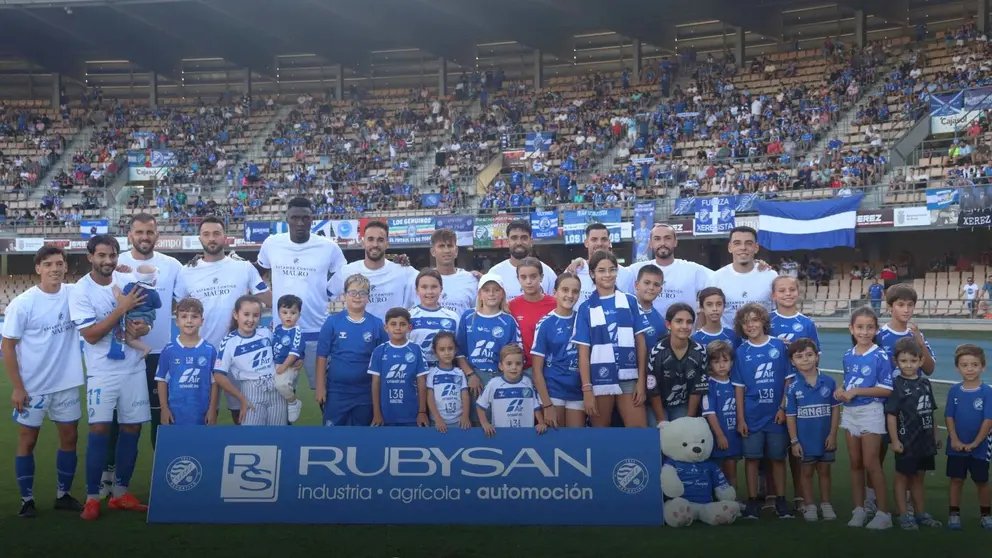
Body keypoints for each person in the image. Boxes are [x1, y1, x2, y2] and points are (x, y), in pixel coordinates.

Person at [69, 235, 151, 520]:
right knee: (100, 430)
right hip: (102, 372)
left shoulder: (127, 282)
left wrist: (141, 328)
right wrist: (121, 308)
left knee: (132, 429)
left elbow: (142, 319)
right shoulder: (81, 290)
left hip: (133, 369)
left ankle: (120, 493)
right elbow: (91, 336)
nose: (108, 261)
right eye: (102, 256)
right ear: (90, 256)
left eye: (112, 255)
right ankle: (92, 497)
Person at [4, 246, 84, 517]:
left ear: (66, 267)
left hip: (66, 383)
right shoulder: (23, 304)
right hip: (33, 386)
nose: (55, 269)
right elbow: (8, 346)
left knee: (70, 437)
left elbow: (101, 282)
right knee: (28, 440)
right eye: (48, 264)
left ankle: (63, 494)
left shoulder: (75, 294)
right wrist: (17, 386)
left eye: (59, 263)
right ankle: (27, 500)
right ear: (38, 268)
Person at [110, 213, 181, 489]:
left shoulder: (172, 265)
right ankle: (110, 476)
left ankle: (166, 475)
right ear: (129, 235)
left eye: (150, 232)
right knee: (119, 418)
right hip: (123, 352)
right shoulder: (117, 265)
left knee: (160, 416)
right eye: (139, 232)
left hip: (159, 353)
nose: (144, 237)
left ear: (157, 235)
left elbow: (186, 300)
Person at [176, 217, 270, 424]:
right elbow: (178, 308)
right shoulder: (187, 271)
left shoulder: (242, 267)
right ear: (199, 238)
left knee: (243, 414)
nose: (212, 238)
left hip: (239, 353)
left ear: (225, 237)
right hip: (202, 353)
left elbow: (268, 299)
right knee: (206, 416)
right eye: (206, 234)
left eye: (216, 233)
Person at [257, 197, 346, 396]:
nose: (300, 223)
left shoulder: (328, 247)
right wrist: (270, 300)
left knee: (325, 392)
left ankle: (330, 426)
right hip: (283, 333)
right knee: (281, 391)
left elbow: (344, 273)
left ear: (312, 219)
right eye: (295, 218)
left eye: (305, 218)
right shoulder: (272, 243)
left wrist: (329, 293)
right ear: (286, 219)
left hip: (317, 331)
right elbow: (259, 272)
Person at [874, 283, 935, 514]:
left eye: (910, 305)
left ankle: (909, 503)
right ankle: (873, 499)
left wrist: (919, 341)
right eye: (901, 305)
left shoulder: (917, 334)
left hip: (912, 408)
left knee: (911, 458)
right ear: (890, 307)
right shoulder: (879, 335)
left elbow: (929, 369)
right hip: (884, 405)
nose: (906, 310)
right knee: (878, 453)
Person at [573, 250, 650, 428]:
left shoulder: (630, 301)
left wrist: (641, 381)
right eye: (601, 270)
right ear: (592, 274)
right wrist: (587, 389)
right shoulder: (585, 308)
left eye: (612, 269)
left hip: (628, 376)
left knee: (639, 432)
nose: (608, 275)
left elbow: (641, 344)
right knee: (601, 434)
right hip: (600, 378)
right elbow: (583, 353)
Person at [731, 303, 793, 519]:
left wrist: (783, 407)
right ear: (741, 326)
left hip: (776, 415)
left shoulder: (779, 346)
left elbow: (788, 380)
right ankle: (753, 501)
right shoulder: (741, 351)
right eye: (746, 322)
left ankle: (781, 501)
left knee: (777, 458)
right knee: (752, 458)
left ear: (764, 322)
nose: (751, 325)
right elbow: (739, 387)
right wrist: (740, 418)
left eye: (755, 320)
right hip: (752, 415)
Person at [839, 306, 894, 529]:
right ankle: (859, 509)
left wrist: (858, 391)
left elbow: (886, 389)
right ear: (851, 328)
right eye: (860, 327)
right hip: (850, 412)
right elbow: (850, 382)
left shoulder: (880, 355)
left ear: (876, 329)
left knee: (871, 463)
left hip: (871, 411)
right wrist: (842, 390)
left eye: (869, 327)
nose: (864, 332)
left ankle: (883, 513)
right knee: (855, 463)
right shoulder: (847, 355)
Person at [155, 297, 249, 426]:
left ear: (201, 321)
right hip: (175, 415)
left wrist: (212, 410)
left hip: (202, 415)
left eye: (194, 316)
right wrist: (164, 408)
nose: (189, 321)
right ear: (176, 321)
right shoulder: (169, 350)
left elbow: (214, 383)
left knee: (202, 445)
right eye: (184, 316)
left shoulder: (209, 351)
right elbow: (162, 381)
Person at [770, 274, 820, 511]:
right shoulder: (767, 321)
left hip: (800, 392)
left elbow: (814, 358)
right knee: (775, 446)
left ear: (798, 293)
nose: (787, 294)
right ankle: (771, 494)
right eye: (782, 290)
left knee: (797, 445)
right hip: (773, 390)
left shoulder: (807, 323)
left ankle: (801, 496)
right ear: (774, 295)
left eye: (792, 290)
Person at [884, 337, 942, 530]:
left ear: (921, 361)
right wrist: (894, 440)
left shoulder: (926, 383)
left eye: (913, 361)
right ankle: (903, 515)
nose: (908, 365)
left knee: (919, 477)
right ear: (896, 361)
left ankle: (920, 513)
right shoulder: (896, 385)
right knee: (902, 477)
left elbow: (930, 411)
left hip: (924, 440)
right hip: (906, 440)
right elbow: (891, 415)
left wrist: (935, 435)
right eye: (904, 361)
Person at [315, 274, 388, 427]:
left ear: (368, 298)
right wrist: (320, 387)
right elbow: (322, 355)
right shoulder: (332, 322)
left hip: (365, 392)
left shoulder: (377, 324)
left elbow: (383, 359)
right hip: (337, 391)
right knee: (333, 434)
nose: (357, 296)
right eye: (352, 292)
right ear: (344, 296)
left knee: (361, 435)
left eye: (362, 293)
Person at [784, 338, 840, 522]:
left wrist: (832, 434)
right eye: (799, 357)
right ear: (792, 361)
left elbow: (835, 409)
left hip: (825, 438)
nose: (805, 360)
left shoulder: (829, 382)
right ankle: (809, 506)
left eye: (809, 355)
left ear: (817, 357)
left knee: (825, 472)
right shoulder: (792, 387)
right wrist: (794, 441)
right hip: (804, 441)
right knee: (806, 472)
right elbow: (790, 416)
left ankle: (826, 504)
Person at [216, 295, 286, 426]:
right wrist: (241, 399)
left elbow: (282, 353)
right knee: (253, 439)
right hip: (251, 392)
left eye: (255, 315)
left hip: (276, 390)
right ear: (236, 315)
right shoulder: (229, 342)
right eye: (246, 314)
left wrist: (296, 360)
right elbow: (219, 375)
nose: (250, 319)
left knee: (278, 436)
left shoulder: (267, 333)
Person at [944, 344, 992, 530]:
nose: (969, 369)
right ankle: (954, 514)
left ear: (983, 367)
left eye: (974, 364)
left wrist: (975, 442)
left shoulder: (987, 392)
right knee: (956, 479)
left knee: (981, 481)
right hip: (956, 446)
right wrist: (954, 439)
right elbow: (949, 416)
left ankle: (986, 515)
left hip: (979, 446)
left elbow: (988, 420)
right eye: (964, 365)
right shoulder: (954, 391)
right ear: (958, 368)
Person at [456, 273, 522, 402]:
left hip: (500, 376)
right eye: (486, 290)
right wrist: (471, 375)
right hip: (475, 376)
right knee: (476, 419)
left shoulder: (508, 320)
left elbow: (514, 353)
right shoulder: (468, 317)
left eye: (496, 290)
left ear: (502, 294)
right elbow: (459, 351)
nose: (491, 294)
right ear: (480, 294)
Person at [624, 223, 712, 317]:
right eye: (657, 239)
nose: (662, 243)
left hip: (684, 330)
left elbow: (722, 281)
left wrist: (702, 320)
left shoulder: (693, 270)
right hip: (646, 330)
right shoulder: (635, 270)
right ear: (650, 243)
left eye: (667, 238)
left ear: (675, 242)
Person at [531, 273, 584, 428]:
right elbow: (536, 370)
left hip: (577, 391)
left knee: (576, 444)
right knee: (555, 443)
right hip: (554, 391)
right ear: (555, 292)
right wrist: (547, 405)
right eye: (565, 290)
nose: (570, 295)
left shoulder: (582, 320)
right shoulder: (545, 323)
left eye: (575, 291)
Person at [647, 303, 708, 424]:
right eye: (679, 321)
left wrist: (689, 421)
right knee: (660, 434)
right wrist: (661, 420)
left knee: (683, 433)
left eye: (689, 322)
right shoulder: (657, 352)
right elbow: (653, 389)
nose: (684, 326)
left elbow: (697, 389)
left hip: (682, 405)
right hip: (658, 405)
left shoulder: (700, 351)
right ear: (668, 324)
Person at [369, 307, 429, 427]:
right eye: (393, 324)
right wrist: (376, 413)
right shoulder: (379, 351)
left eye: (402, 324)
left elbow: (422, 382)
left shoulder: (416, 349)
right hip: (386, 414)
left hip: (411, 414)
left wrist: (422, 411)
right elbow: (376, 383)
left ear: (409, 327)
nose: (397, 328)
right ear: (386, 327)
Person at [709, 226, 778, 329]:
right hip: (729, 342)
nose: (743, 247)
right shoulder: (716, 277)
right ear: (730, 247)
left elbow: (777, 313)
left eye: (749, 243)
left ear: (756, 248)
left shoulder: (771, 276)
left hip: (762, 341)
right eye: (737, 243)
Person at [477, 345, 548, 436]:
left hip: (525, 434)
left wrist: (541, 422)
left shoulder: (527, 382)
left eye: (518, 363)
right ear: (501, 366)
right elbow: (480, 406)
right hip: (500, 435)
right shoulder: (493, 384)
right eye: (509, 363)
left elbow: (535, 406)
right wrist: (485, 424)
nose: (514, 367)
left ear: (523, 365)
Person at [701, 340, 741, 494]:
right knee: (716, 472)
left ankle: (733, 499)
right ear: (710, 364)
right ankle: (713, 499)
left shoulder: (736, 384)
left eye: (725, 361)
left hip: (734, 437)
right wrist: (719, 435)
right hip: (717, 438)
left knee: (731, 470)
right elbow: (709, 413)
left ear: (731, 362)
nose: (722, 365)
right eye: (716, 361)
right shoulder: (709, 385)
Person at [509, 257, 557, 376]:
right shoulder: (511, 307)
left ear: (541, 277)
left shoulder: (556, 304)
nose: (529, 281)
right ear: (518, 279)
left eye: (533, 276)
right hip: (523, 370)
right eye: (523, 277)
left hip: (552, 368)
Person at [487, 220, 556, 301]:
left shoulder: (547, 273)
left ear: (531, 241)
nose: (519, 242)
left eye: (524, 238)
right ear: (508, 241)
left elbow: (555, 305)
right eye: (514, 238)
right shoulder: (495, 273)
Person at [568, 223, 633, 306]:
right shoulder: (574, 270)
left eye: (604, 239)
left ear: (609, 242)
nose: (599, 243)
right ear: (586, 243)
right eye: (594, 239)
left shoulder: (625, 274)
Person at [409, 269, 461, 368]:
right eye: (424, 287)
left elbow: (459, 349)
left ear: (441, 289)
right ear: (417, 290)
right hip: (417, 374)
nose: (429, 291)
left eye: (434, 287)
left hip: (444, 376)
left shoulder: (452, 317)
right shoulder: (410, 316)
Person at [425, 332, 471, 432]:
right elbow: (430, 397)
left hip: (459, 422)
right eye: (442, 349)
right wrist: (437, 418)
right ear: (435, 351)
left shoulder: (460, 372)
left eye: (450, 348)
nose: (447, 353)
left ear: (455, 350)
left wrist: (465, 416)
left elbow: (465, 396)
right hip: (437, 422)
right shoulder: (432, 373)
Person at [429, 228, 478, 317]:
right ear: (433, 252)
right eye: (441, 246)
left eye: (450, 245)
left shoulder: (471, 280)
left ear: (456, 251)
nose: (446, 250)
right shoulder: (424, 280)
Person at [115, 265, 162, 357]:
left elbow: (124, 299)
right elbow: (158, 305)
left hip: (132, 316)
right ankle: (144, 347)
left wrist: (118, 294)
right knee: (135, 334)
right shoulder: (153, 293)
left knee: (129, 339)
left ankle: (145, 347)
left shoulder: (130, 287)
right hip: (147, 318)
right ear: (153, 280)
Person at [272, 295, 304, 423]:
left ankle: (293, 402)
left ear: (299, 314)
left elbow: (294, 353)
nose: (288, 316)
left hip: (288, 366)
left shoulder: (296, 332)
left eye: (293, 313)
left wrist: (284, 366)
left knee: (281, 384)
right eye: (284, 313)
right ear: (279, 314)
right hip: (275, 365)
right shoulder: (278, 329)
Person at [634, 264, 668, 351]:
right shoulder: (622, 309)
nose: (651, 288)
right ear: (636, 285)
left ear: (660, 290)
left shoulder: (661, 322)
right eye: (647, 283)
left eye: (656, 285)